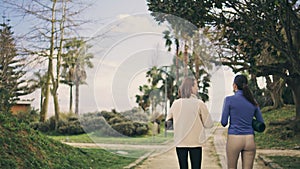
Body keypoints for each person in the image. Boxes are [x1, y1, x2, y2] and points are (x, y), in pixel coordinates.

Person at [166, 77, 213, 169]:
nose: (197, 88)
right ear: (191, 88)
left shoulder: (176, 103)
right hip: (196, 143)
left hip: (180, 142)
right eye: (196, 85)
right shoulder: (199, 103)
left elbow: (168, 122)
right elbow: (209, 124)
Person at [221, 74, 264, 169]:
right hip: (249, 139)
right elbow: (261, 122)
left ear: (234, 86)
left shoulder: (229, 100)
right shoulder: (253, 101)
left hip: (234, 138)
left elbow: (223, 122)